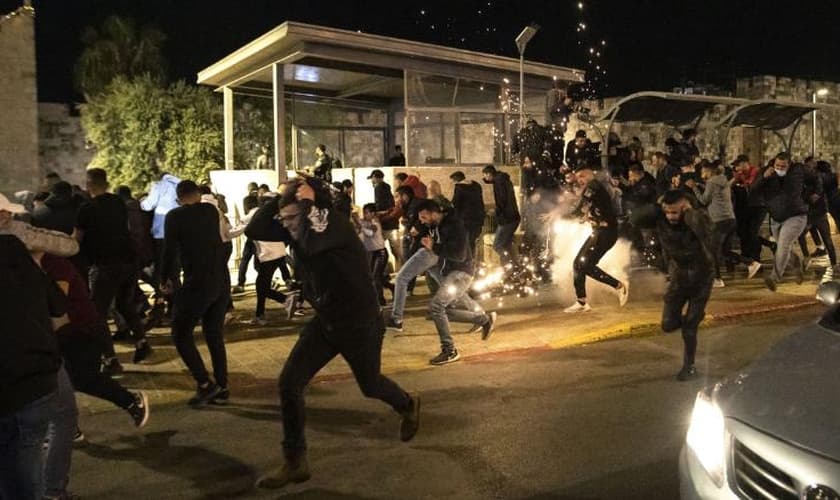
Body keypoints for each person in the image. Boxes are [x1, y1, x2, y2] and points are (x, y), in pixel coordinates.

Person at [251, 178, 420, 490]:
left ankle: (407, 405)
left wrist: (310, 198)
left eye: (291, 219)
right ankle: (295, 460)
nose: (286, 226)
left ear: (309, 212)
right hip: (327, 322)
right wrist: (277, 197)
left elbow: (317, 241)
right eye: (283, 219)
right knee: (289, 382)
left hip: (360, 324)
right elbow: (255, 231)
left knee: (370, 385)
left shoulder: (334, 228)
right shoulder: (298, 228)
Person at [0, 196, 73, 500]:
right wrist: (38, 266)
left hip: (9, 381)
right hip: (38, 376)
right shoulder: (17, 251)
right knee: (26, 457)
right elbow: (58, 305)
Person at [632, 190, 715, 380]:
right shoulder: (660, 218)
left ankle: (689, 366)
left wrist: (690, 213)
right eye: (667, 212)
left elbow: (707, 230)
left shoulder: (695, 217)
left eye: (675, 212)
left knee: (689, 327)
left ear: (685, 208)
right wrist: (657, 206)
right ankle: (693, 318)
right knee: (667, 324)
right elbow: (635, 219)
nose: (671, 217)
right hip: (679, 276)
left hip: (701, 276)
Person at [161, 180, 230, 406]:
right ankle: (222, 385)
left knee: (180, 333)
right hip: (220, 279)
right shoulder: (210, 210)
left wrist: (165, 279)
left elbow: (169, 251)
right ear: (198, 194)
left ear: (179, 197)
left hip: (197, 283)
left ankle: (204, 383)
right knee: (214, 333)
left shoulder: (174, 217)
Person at [76, 169, 152, 371]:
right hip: (128, 262)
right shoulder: (118, 202)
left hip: (105, 265)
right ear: (107, 183)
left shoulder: (86, 209)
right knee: (124, 304)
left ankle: (110, 359)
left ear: (89, 184)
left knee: (97, 313)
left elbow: (77, 239)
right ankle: (142, 341)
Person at [416, 199, 497, 365]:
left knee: (436, 307)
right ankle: (484, 320)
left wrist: (434, 247)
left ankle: (449, 350)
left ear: (433, 213)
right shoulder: (438, 224)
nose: (422, 221)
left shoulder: (453, 226)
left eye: (424, 217)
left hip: (461, 273)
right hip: (452, 273)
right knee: (437, 312)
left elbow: (459, 255)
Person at [563, 164, 629, 313]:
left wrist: (561, 216)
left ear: (590, 174)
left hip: (606, 233)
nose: (579, 180)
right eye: (577, 176)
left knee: (583, 265)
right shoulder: (593, 187)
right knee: (579, 264)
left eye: (582, 176)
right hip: (600, 231)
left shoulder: (593, 187)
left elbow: (580, 207)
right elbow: (586, 208)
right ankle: (582, 302)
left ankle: (619, 286)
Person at [688, 162, 762, 286]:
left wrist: (693, 187)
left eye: (703, 172)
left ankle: (717, 279)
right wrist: (700, 185)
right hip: (730, 219)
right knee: (724, 251)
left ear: (708, 171)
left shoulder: (712, 182)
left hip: (719, 221)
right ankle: (751, 263)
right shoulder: (722, 180)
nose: (702, 174)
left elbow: (703, 200)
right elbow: (713, 192)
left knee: (712, 250)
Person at [750, 153, 808, 291]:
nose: (780, 168)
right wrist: (764, 178)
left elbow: (815, 179)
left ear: (789, 165)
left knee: (783, 245)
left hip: (796, 215)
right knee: (783, 248)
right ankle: (795, 263)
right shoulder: (766, 172)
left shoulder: (798, 171)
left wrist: (812, 194)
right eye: (777, 165)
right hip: (776, 218)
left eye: (783, 166)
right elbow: (753, 188)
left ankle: (774, 278)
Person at [140, 172, 181, 304]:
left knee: (162, 270)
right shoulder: (180, 185)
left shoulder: (159, 186)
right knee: (175, 271)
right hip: (179, 234)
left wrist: (141, 202)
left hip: (161, 233)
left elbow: (148, 205)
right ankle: (178, 303)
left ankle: (164, 300)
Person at [482, 165, 520, 266]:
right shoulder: (502, 179)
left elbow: (502, 201)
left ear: (489, 174)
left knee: (497, 245)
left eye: (485, 175)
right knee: (507, 244)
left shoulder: (499, 182)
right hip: (513, 217)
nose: (485, 178)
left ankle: (510, 266)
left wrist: (495, 211)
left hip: (507, 218)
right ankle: (514, 267)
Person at [233, 182, 260, 294]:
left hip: (251, 237)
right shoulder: (261, 203)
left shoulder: (247, 200)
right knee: (258, 263)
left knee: (245, 260)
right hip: (261, 238)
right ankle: (267, 281)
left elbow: (245, 216)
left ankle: (241, 283)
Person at [450, 171, 485, 256]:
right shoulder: (476, 185)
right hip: (478, 220)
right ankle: (473, 262)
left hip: (466, 221)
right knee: (473, 242)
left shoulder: (459, 188)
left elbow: (455, 204)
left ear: (456, 180)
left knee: (466, 243)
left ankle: (468, 264)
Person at [369, 169, 401, 264]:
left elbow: (378, 204)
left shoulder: (378, 187)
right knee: (395, 249)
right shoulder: (387, 187)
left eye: (372, 178)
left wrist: (376, 215)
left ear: (375, 177)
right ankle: (399, 267)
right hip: (392, 222)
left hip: (384, 222)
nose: (372, 181)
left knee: (377, 248)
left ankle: (380, 270)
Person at [360, 203, 388, 306]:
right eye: (364, 212)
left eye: (367, 212)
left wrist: (360, 226)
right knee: (374, 276)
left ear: (373, 213)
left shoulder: (375, 222)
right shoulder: (364, 222)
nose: (365, 214)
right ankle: (391, 287)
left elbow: (370, 233)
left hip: (380, 252)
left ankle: (380, 300)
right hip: (371, 253)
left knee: (375, 276)